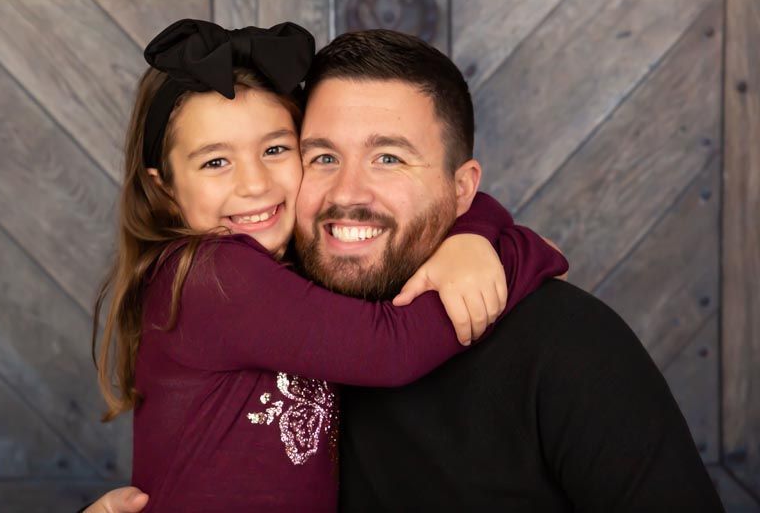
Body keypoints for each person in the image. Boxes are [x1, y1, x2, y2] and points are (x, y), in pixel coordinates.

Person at [87, 28, 723, 511]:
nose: (347, 194)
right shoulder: (261, 287)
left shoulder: (568, 346)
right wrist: (505, 244)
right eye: (324, 156)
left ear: (461, 189)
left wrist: (480, 237)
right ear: (165, 189)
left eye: (389, 158)